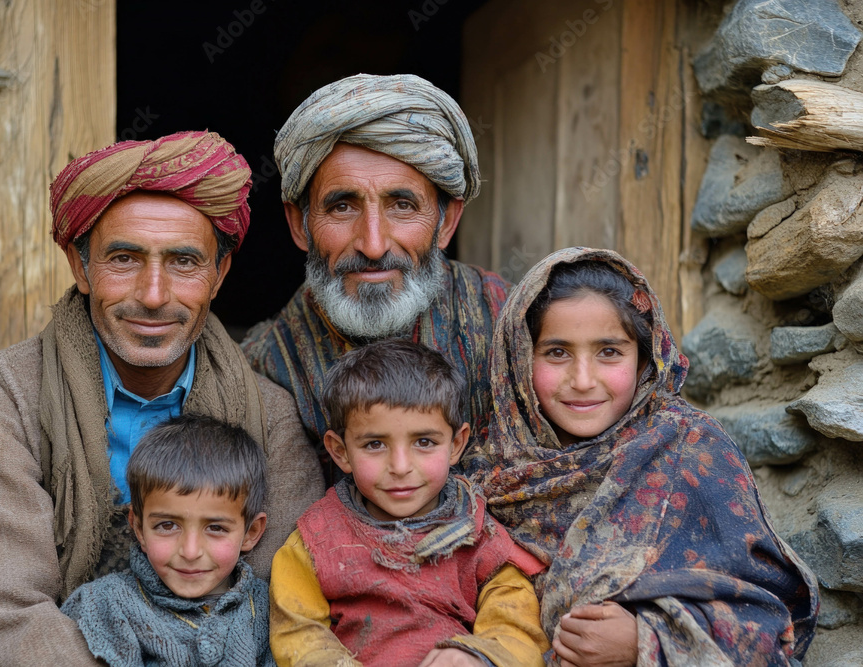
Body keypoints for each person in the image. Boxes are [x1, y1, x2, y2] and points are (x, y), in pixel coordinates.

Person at [0, 131, 324, 666]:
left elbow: (287, 606)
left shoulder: (266, 416)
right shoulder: (12, 395)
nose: (153, 295)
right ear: (79, 266)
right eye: (124, 259)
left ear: (219, 274)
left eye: (184, 262)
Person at [465, 247, 819, 666]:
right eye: (557, 352)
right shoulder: (485, 472)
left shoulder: (689, 451)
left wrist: (645, 640)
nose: (582, 380)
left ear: (645, 360)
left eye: (609, 352)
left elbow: (774, 623)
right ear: (519, 359)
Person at [242, 73, 509, 467]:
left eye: (401, 205)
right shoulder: (263, 372)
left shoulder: (513, 327)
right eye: (342, 206)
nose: (373, 244)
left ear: (446, 222)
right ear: (300, 224)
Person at [270, 340, 550, 667]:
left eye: (424, 442)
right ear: (340, 451)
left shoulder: (476, 532)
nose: (401, 466)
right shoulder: (316, 540)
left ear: (456, 444)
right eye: (375, 444)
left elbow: (516, 622)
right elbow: (297, 630)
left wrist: (478, 656)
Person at [61, 415, 275, 666]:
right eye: (167, 525)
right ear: (139, 528)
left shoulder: (267, 610)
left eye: (215, 528)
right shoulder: (107, 605)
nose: (190, 551)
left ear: (251, 532)